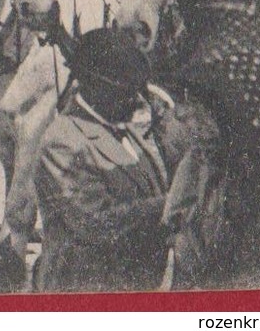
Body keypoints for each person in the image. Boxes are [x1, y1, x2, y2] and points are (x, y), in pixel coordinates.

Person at [34, 29, 170, 293]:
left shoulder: (125, 127)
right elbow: (95, 223)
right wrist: (171, 204)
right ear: (94, 86)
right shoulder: (62, 141)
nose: (138, 100)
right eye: (127, 92)